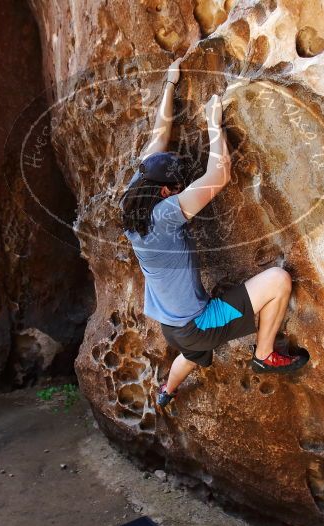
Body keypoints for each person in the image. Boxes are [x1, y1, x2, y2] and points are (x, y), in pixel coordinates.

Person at [120, 58, 309, 409]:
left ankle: (166, 392)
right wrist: (213, 125)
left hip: (171, 325)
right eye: (177, 187)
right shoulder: (164, 216)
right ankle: (265, 354)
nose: (180, 191)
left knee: (192, 354)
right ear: (165, 192)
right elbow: (218, 177)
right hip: (198, 323)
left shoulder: (134, 195)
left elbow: (158, 135)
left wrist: (170, 86)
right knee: (279, 280)